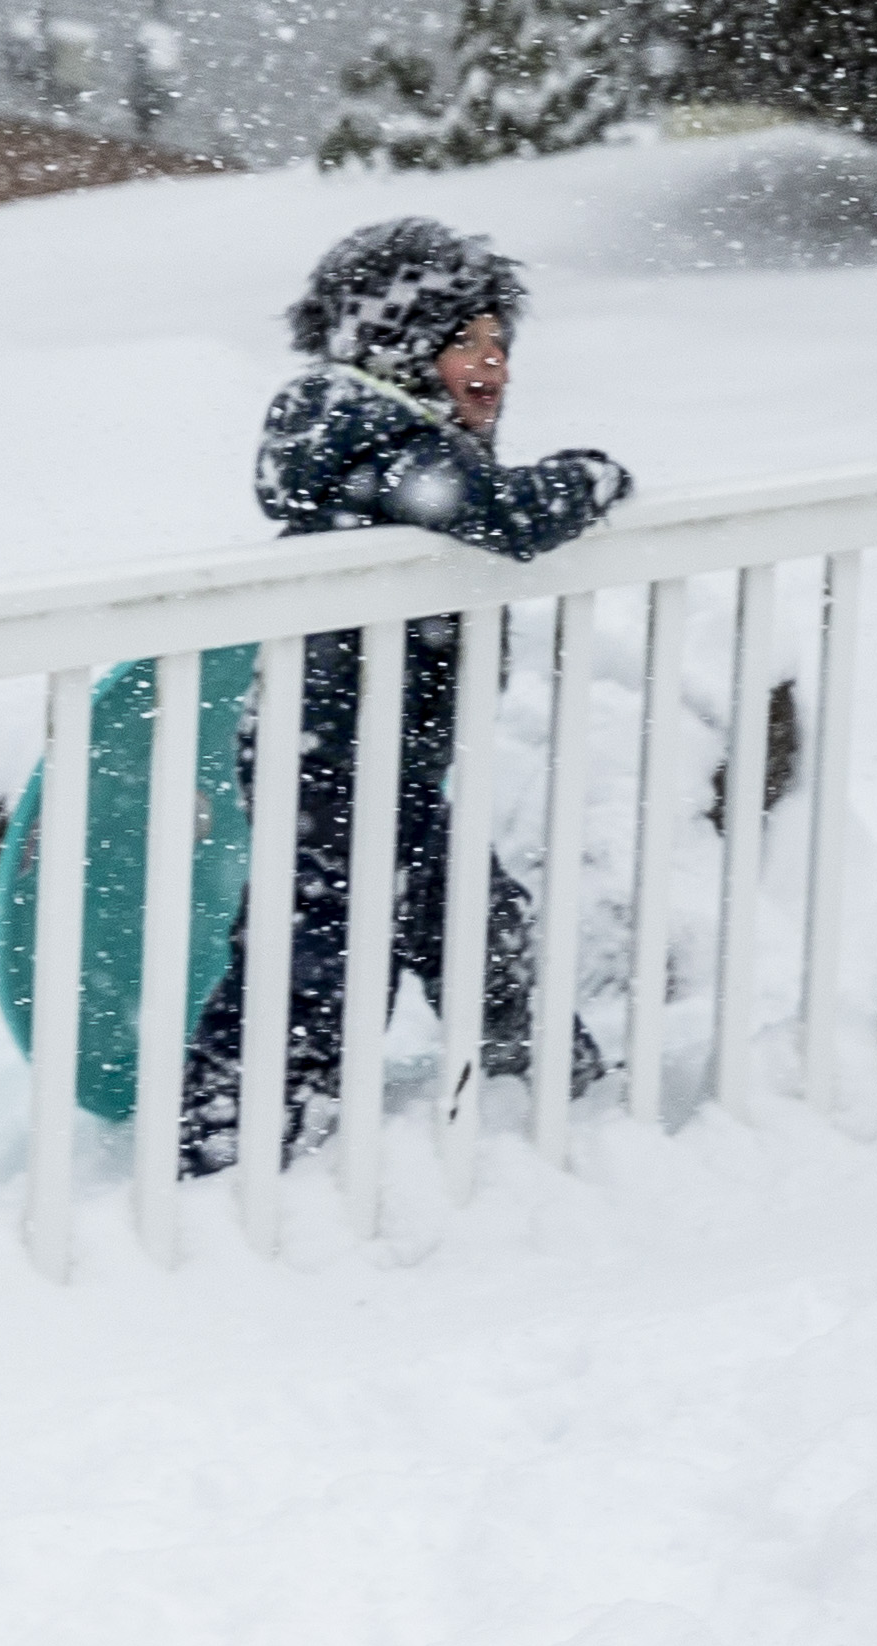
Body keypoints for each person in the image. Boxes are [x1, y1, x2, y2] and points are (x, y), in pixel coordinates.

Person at [177, 217, 634, 1175]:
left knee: (463, 913)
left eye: (499, 342)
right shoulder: (375, 439)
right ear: (395, 345)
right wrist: (587, 479)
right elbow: (496, 514)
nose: (492, 364)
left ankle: (543, 1074)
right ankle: (233, 1134)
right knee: (318, 954)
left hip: (378, 751)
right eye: (463, 341)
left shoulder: (370, 437)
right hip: (334, 754)